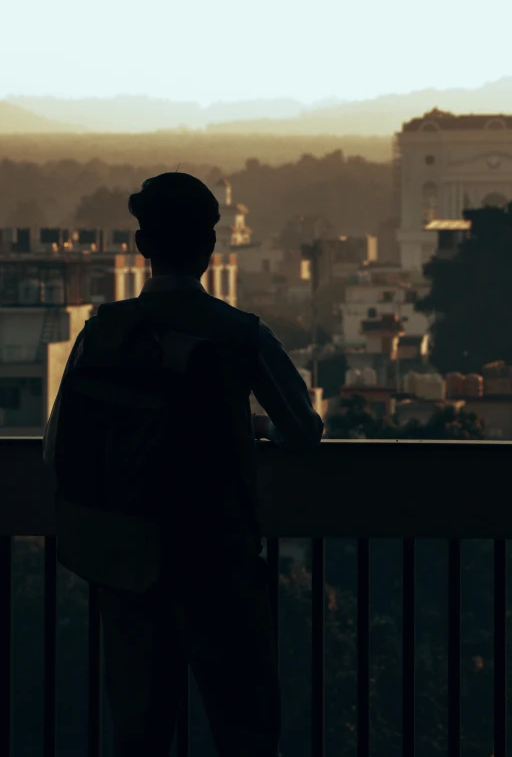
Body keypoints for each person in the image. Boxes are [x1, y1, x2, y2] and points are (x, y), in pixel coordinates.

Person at [43, 172, 324, 757]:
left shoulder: (102, 332)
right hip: (216, 558)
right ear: (209, 247)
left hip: (125, 561)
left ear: (143, 247)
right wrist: (253, 430)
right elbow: (304, 431)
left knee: (138, 734)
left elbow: (57, 445)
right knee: (245, 727)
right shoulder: (238, 334)